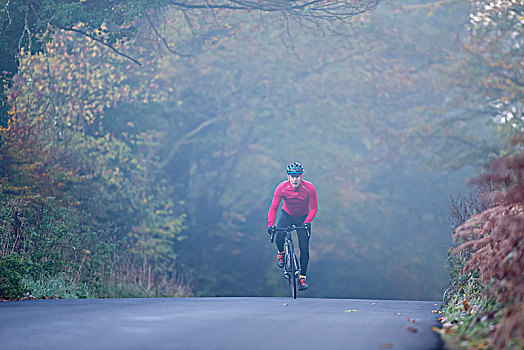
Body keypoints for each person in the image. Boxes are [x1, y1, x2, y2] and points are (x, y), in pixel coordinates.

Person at [267, 162, 318, 291]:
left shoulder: (309, 188)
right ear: (288, 177)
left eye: (297, 176)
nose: (295, 179)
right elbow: (274, 207)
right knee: (279, 237)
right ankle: (281, 252)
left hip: (303, 218)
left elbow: (314, 208)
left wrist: (307, 221)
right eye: (292, 176)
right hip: (287, 215)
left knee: (304, 248)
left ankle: (302, 277)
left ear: (301, 176)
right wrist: (271, 225)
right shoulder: (281, 188)